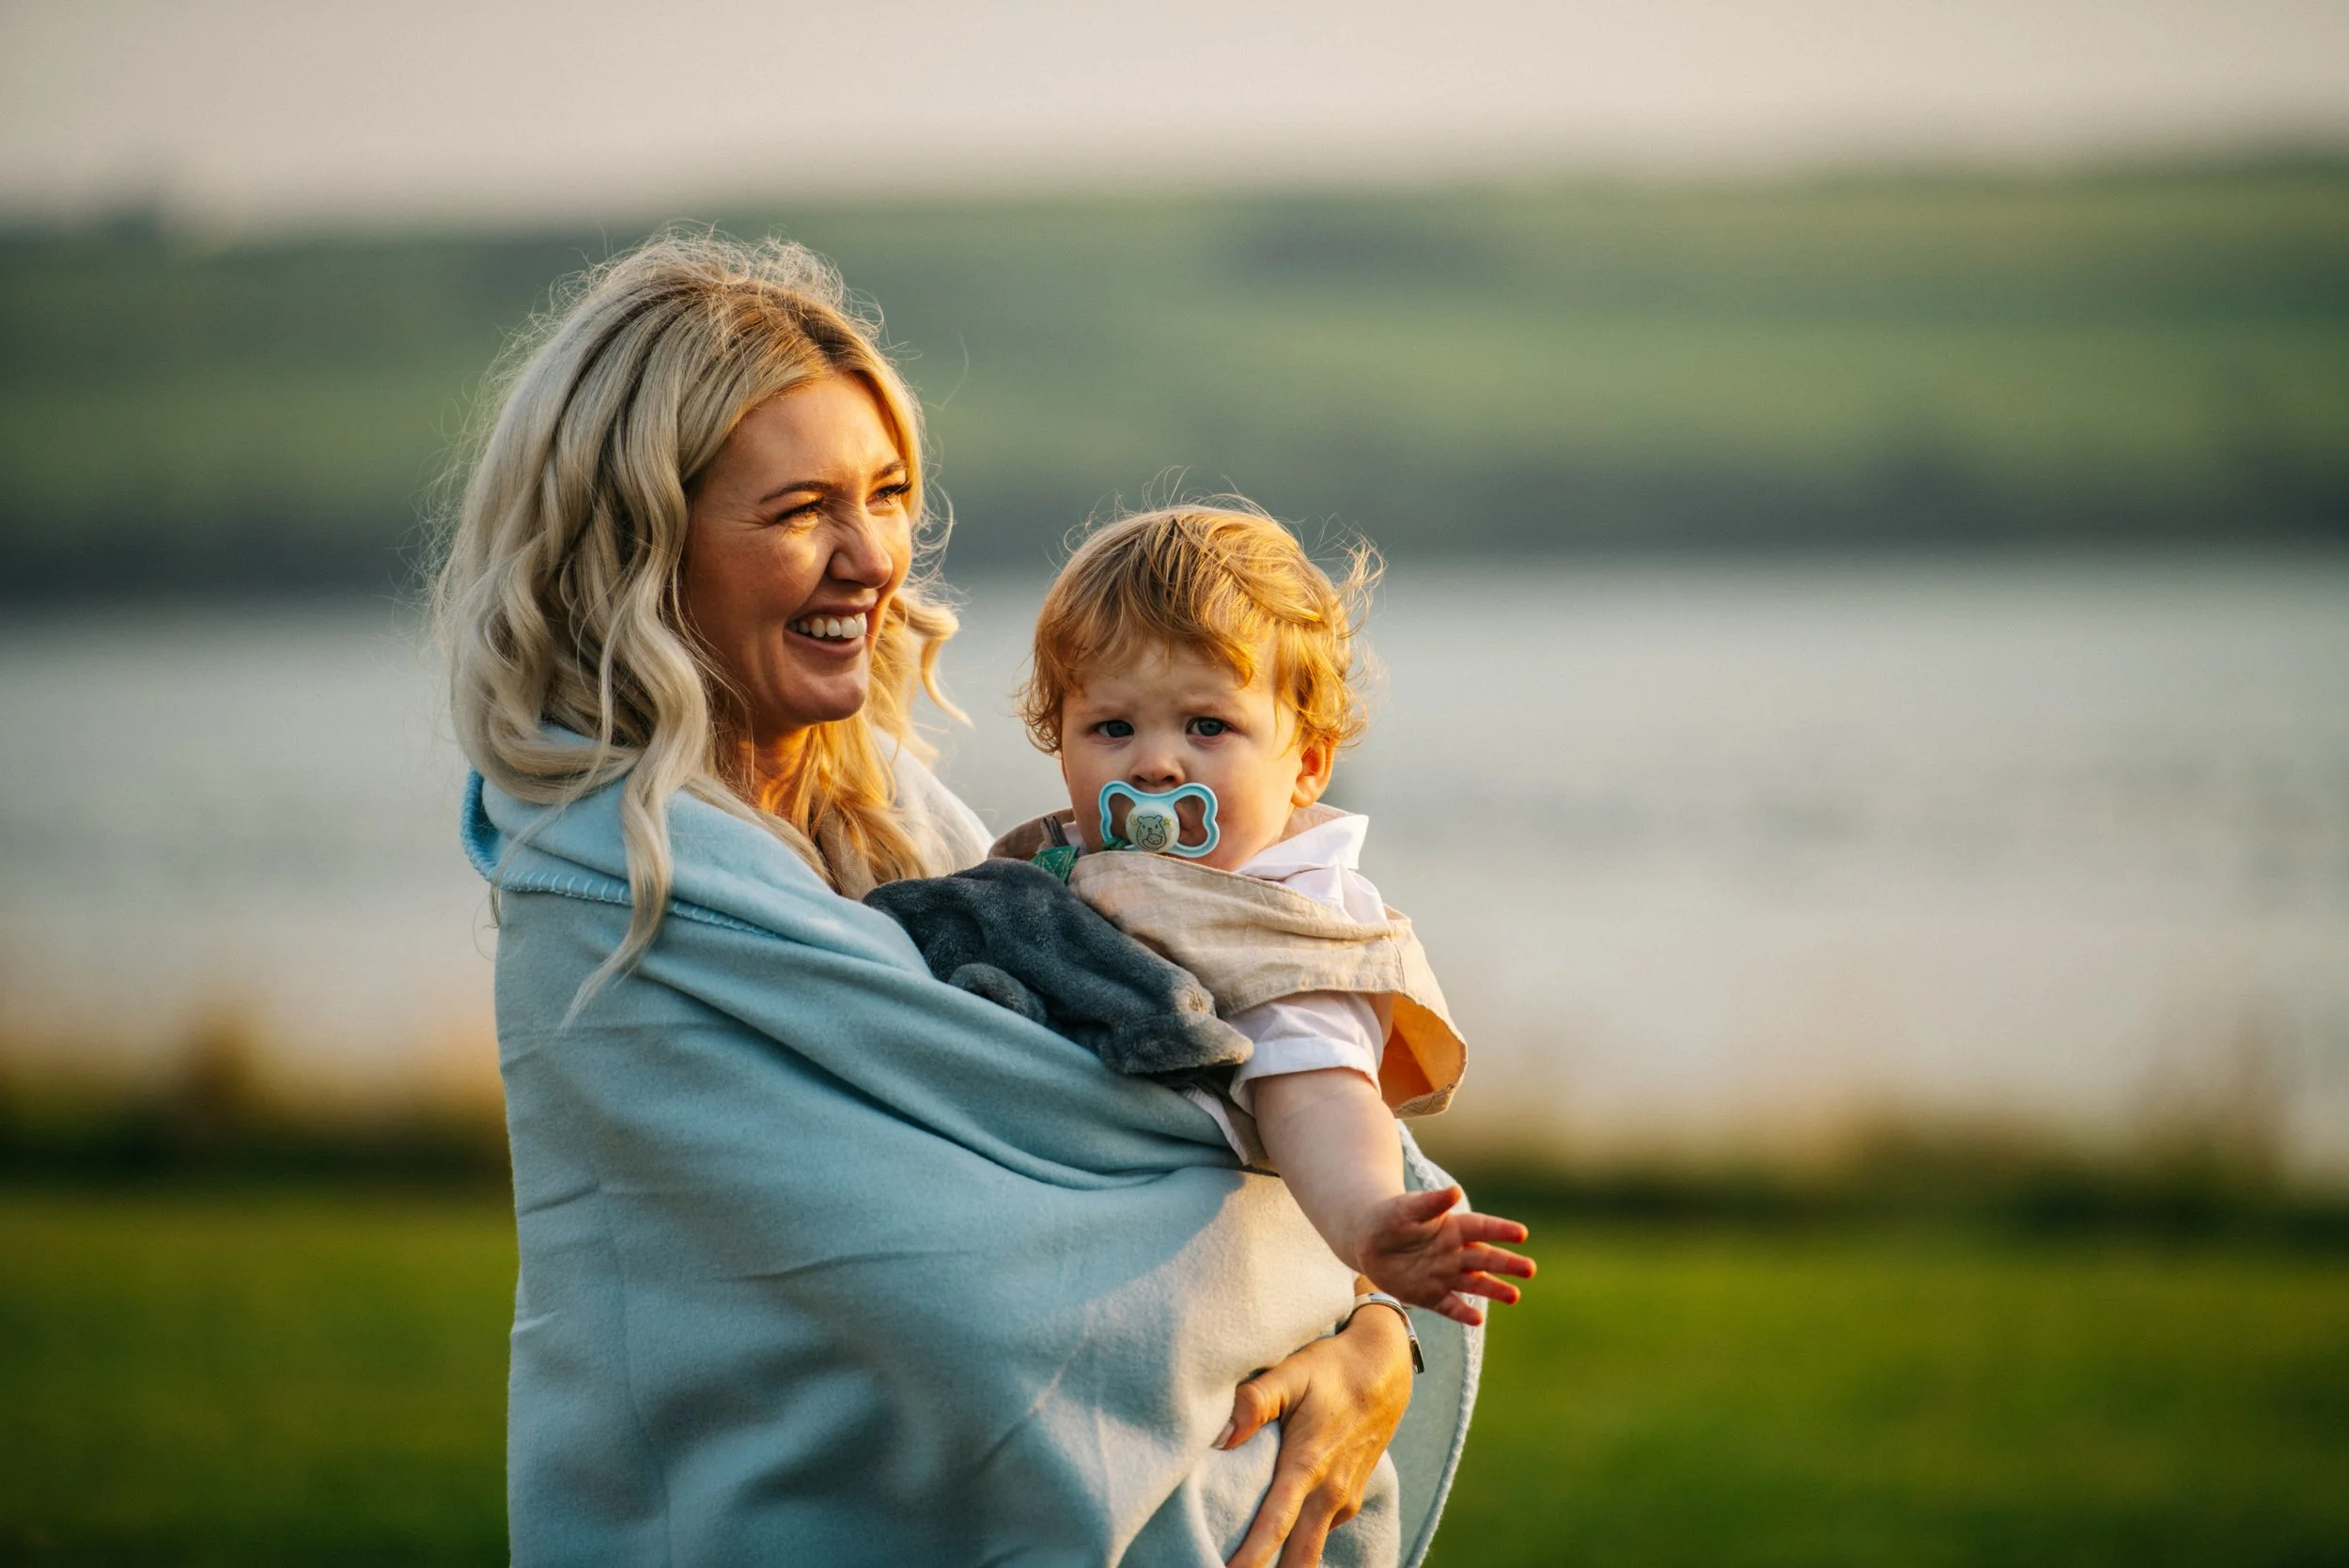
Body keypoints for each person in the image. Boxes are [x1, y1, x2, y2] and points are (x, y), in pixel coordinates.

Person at [435, 231, 1479, 1566]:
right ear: (642, 544)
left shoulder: (916, 837)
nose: (870, 556)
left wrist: (1384, 1335)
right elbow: (992, 1298)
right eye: (801, 508)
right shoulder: (624, 909)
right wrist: (1333, 1298)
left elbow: (1318, 1099)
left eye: (884, 496)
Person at [988, 506, 1535, 1327]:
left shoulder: (1285, 917)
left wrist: (1363, 1219)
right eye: (1111, 727)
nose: (1156, 762)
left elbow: (1317, 1090)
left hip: (1186, 1285)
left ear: (1308, 763)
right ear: (1058, 743)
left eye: (1208, 726)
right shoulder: (1054, 864)